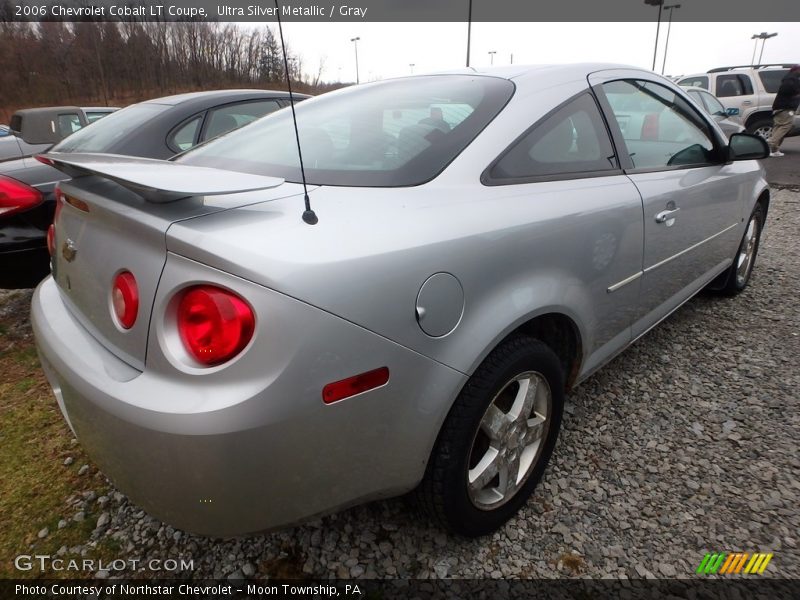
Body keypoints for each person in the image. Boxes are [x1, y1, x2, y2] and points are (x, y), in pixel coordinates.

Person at [768, 65, 800, 157]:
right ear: (796, 70)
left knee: (778, 126)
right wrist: (797, 94)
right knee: (786, 125)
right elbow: (787, 91)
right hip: (786, 107)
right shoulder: (791, 80)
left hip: (780, 107)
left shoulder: (788, 79)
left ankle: (774, 150)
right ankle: (772, 141)